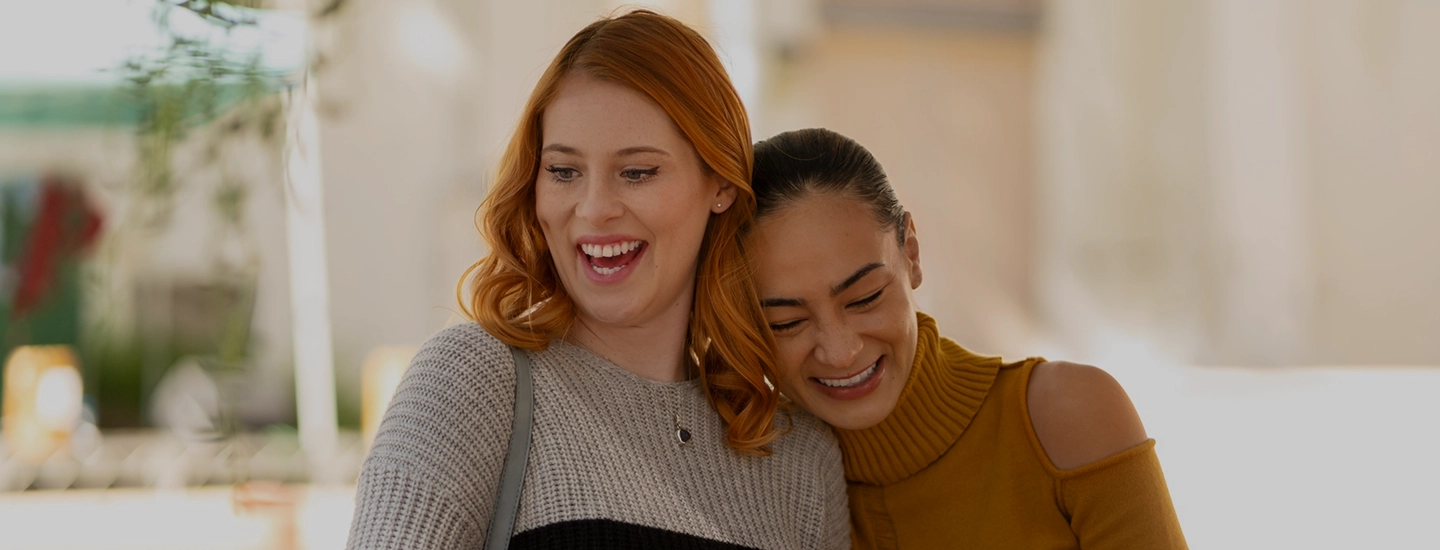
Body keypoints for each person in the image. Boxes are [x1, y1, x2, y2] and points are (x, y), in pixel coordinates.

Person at [346, 12, 848, 550]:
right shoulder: (471, 383)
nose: (594, 209)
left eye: (636, 172)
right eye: (564, 171)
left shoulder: (803, 461)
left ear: (721, 183)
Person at [743, 128, 1187, 549]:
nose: (841, 352)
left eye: (865, 298)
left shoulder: (1067, 420)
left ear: (911, 254)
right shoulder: (759, 479)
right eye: (786, 322)